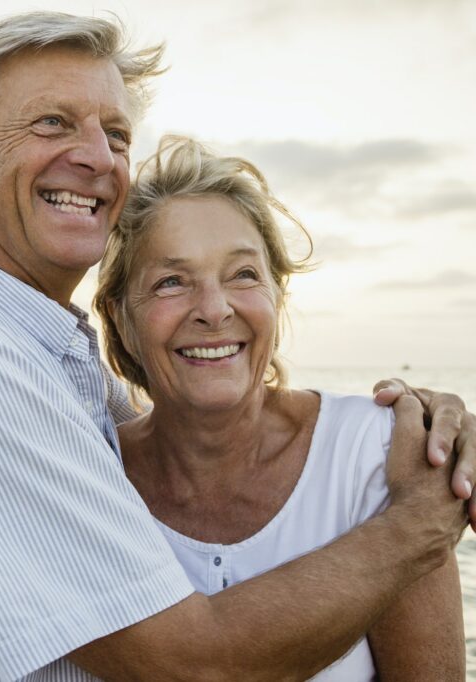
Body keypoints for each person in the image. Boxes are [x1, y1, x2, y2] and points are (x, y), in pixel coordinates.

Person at [0, 12, 475, 680]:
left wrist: (424, 418)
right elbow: (191, 664)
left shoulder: (44, 358)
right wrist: (423, 523)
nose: (98, 157)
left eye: (116, 134)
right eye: (52, 123)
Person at [93, 136, 465, 680]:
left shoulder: (378, 455)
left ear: (277, 296)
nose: (214, 310)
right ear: (119, 316)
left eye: (243, 274)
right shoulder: (88, 476)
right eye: (172, 281)